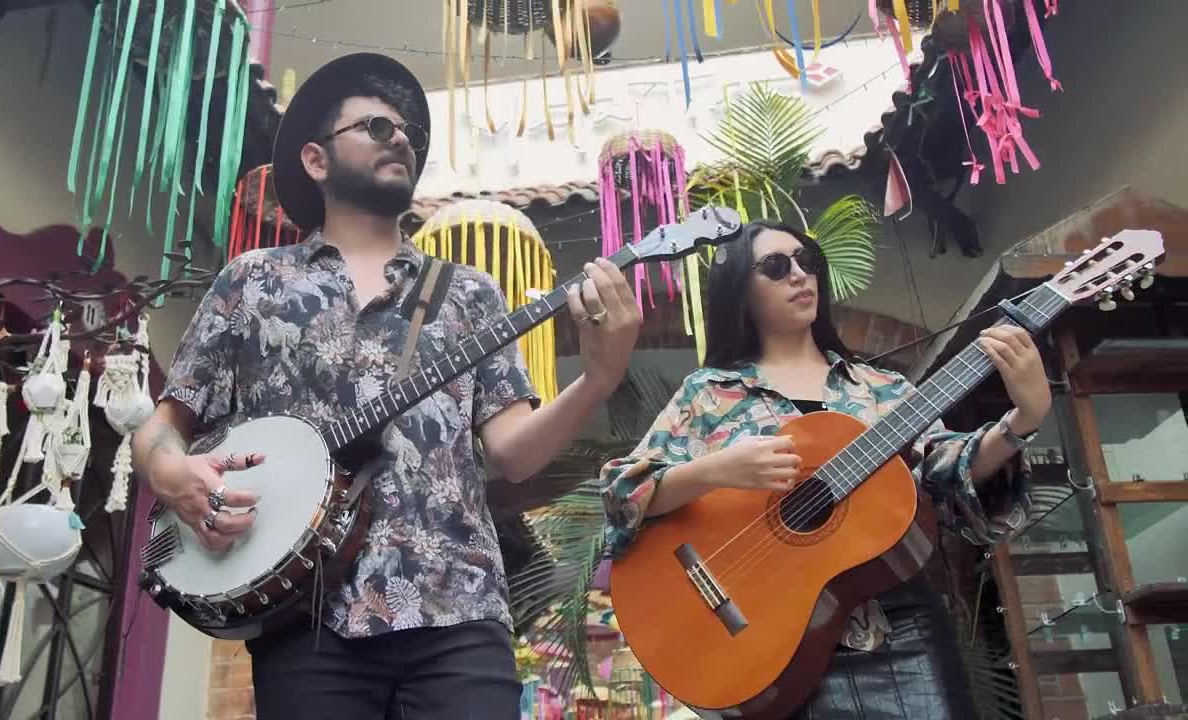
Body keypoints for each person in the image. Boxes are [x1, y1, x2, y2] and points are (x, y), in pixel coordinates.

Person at [130, 53, 641, 719]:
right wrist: (168, 471)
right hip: (306, 617)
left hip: (458, 605)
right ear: (317, 160)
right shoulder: (253, 281)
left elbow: (515, 453)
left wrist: (598, 380)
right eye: (375, 125)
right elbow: (165, 424)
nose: (400, 136)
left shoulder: (469, 293)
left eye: (408, 132)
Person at [599, 220, 1047, 719]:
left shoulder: (881, 388)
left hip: (899, 634)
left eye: (808, 260)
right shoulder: (708, 394)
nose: (799, 274)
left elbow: (948, 472)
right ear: (739, 293)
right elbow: (622, 492)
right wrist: (716, 470)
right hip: (769, 647)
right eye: (776, 266)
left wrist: (1019, 422)